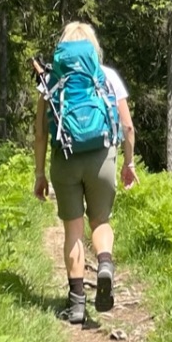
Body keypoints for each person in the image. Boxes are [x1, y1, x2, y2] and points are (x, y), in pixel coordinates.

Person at [33, 21, 137, 324]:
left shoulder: (50, 78)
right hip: (102, 157)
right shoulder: (107, 77)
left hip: (65, 158)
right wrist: (128, 164)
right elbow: (127, 127)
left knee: (73, 231)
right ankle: (105, 264)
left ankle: (77, 304)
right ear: (93, 47)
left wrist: (40, 174)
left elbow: (40, 133)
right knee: (100, 221)